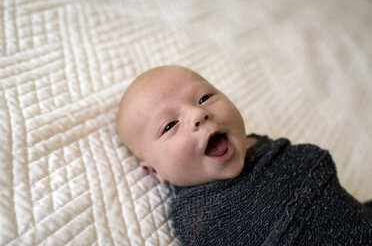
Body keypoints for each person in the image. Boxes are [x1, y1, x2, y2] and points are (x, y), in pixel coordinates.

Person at [117, 65, 372, 245]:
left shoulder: (264, 147)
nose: (198, 115)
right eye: (170, 125)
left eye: (204, 98)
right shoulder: (198, 219)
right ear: (154, 171)